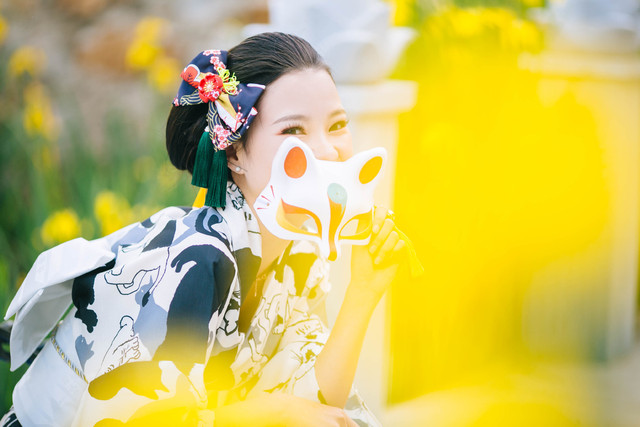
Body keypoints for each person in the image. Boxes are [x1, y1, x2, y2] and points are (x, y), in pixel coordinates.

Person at [2, 32, 408, 426]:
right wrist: (272, 414)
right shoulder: (196, 257)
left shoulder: (301, 252)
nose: (327, 149)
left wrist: (364, 291)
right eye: (294, 130)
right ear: (234, 153)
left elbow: (318, 407)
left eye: (337, 125)